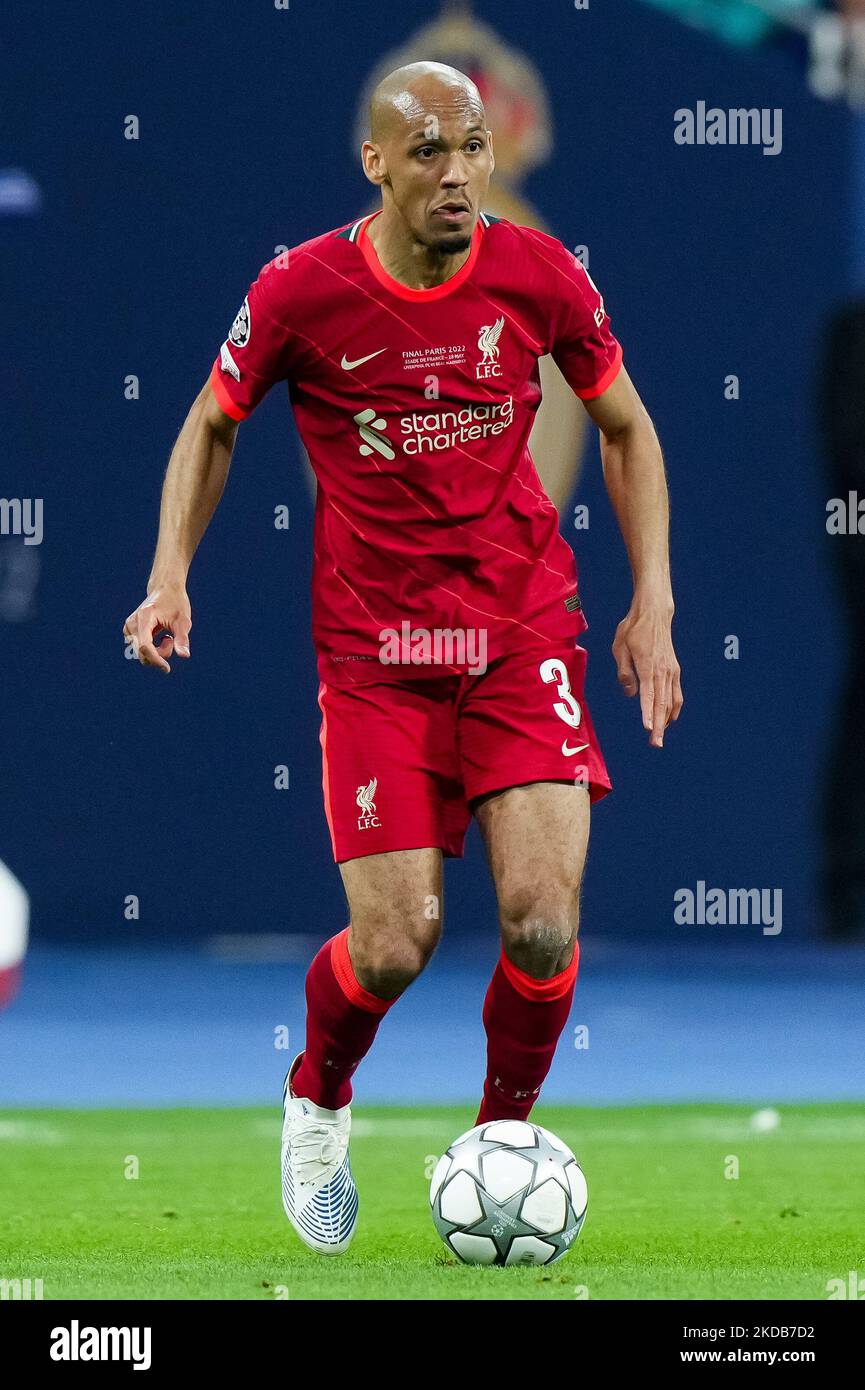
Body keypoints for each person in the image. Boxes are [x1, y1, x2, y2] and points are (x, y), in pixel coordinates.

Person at [123, 61, 682, 1256]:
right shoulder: (300, 291)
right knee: (394, 944)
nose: (456, 175)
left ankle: (497, 1144)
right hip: (377, 655)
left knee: (540, 920)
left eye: (471, 148)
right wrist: (171, 573)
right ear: (374, 164)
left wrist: (654, 603)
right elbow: (211, 423)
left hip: (520, 628)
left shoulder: (539, 275)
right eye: (426, 152)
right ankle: (317, 1099)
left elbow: (627, 426)